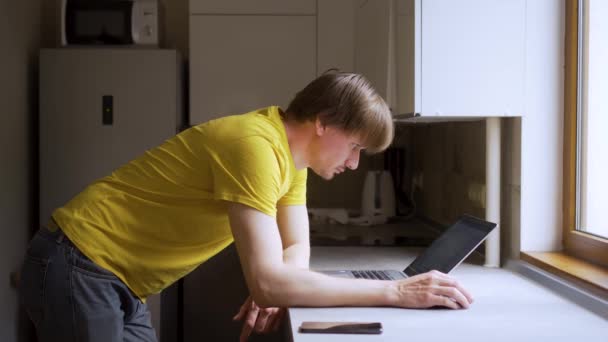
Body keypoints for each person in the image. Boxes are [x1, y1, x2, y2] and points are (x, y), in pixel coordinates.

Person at [19, 72, 473, 342]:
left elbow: (294, 248)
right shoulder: (254, 146)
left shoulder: (290, 158)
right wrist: (396, 292)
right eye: (354, 147)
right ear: (323, 124)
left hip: (113, 279)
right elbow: (273, 278)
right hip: (80, 263)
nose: (354, 164)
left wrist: (275, 286)